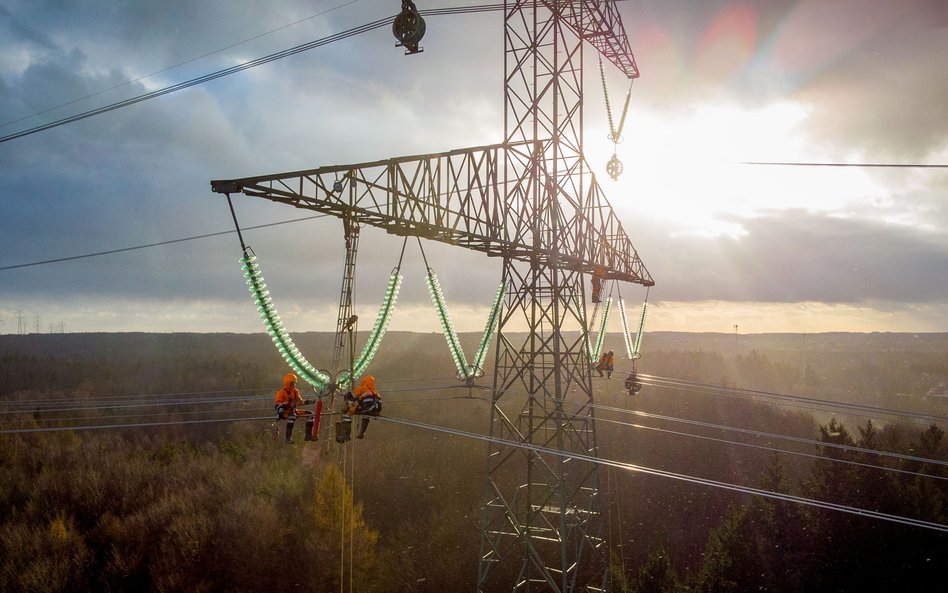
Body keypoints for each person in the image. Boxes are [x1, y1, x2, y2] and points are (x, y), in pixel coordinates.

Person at [336, 374, 382, 442]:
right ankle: (362, 433)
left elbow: (350, 395)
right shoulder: (375, 391)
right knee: (366, 415)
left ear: (364, 381)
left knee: (346, 413)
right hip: (375, 410)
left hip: (367, 408)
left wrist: (347, 400)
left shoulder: (363, 388)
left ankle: (346, 435)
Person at [274, 372, 315, 444]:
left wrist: (307, 402)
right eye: (292, 383)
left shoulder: (295, 391)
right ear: (288, 383)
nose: (294, 385)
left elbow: (300, 402)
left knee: (311, 415)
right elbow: (277, 404)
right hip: (285, 412)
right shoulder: (281, 392)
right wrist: (284, 405)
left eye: (295, 383)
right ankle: (287, 439)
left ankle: (308, 435)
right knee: (292, 417)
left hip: (294, 410)